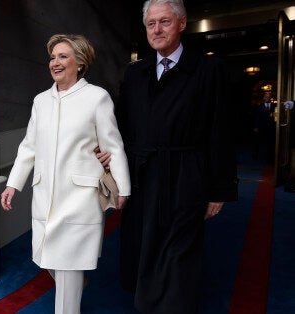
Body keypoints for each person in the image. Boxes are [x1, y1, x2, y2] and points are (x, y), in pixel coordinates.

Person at [109, 1, 238, 313]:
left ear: (182, 23)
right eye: (151, 24)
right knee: (143, 244)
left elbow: (221, 131)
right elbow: (121, 130)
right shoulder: (135, 73)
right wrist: (115, 174)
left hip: (187, 176)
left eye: (164, 21)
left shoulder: (208, 70)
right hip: (142, 176)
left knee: (179, 252)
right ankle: (147, 301)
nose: (157, 30)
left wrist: (219, 189)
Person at [0, 34, 131, 313]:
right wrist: (14, 184)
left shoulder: (97, 98)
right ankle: (74, 283)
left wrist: (123, 187)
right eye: (52, 57)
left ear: (80, 63)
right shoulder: (40, 101)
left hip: (79, 198)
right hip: (45, 194)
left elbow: (113, 145)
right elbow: (29, 146)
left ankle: (71, 293)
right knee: (47, 258)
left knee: (69, 264)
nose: (55, 62)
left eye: (63, 56)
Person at [253, 92, 276, 162]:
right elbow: (257, 117)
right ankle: (256, 155)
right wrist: (256, 127)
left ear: (270, 98)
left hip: (271, 127)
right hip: (261, 127)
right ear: (263, 98)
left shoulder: (274, 105)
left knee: (271, 143)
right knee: (259, 141)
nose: (267, 98)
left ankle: (270, 157)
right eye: (266, 97)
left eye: (269, 97)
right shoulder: (260, 106)